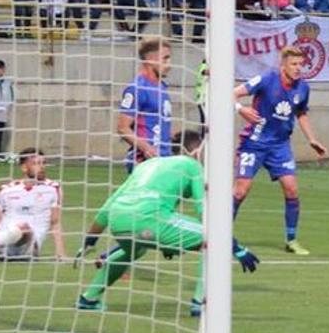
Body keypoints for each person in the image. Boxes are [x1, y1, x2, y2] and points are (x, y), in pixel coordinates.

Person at [76, 130, 260, 314]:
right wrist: (235, 246)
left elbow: (107, 208)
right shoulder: (192, 165)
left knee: (135, 250)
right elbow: (204, 213)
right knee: (213, 242)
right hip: (148, 219)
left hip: (118, 220)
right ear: (197, 150)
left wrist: (90, 241)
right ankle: (200, 303)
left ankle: (88, 298)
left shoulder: (147, 165)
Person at [233, 45, 327, 255]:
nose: (297, 68)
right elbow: (233, 94)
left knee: (292, 189)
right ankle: (221, 235)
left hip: (280, 146)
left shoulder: (303, 88)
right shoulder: (266, 79)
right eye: (293, 64)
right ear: (282, 65)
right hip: (254, 143)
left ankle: (291, 240)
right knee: (241, 190)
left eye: (300, 64)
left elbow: (301, 113)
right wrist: (241, 109)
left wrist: (312, 139)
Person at [117, 38, 173, 173]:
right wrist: (146, 148)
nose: (169, 64)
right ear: (150, 59)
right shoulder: (137, 88)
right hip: (144, 161)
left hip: (164, 159)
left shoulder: (162, 87)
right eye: (165, 58)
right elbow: (122, 128)